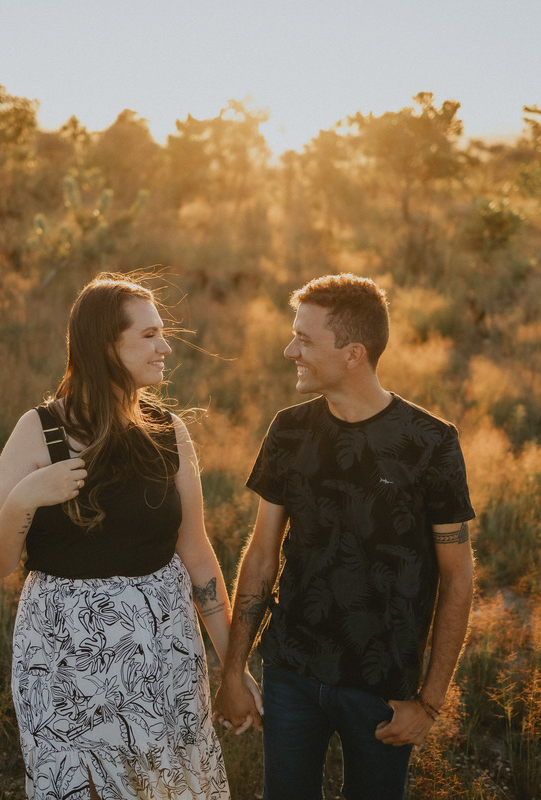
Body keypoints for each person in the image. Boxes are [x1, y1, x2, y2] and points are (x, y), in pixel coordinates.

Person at [0, 273, 260, 800]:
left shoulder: (169, 432)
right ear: (106, 345)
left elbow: (197, 554)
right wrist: (26, 497)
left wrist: (233, 670)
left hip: (163, 651)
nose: (165, 347)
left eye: (162, 334)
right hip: (64, 660)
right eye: (149, 335)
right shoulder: (39, 432)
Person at [212, 273, 476, 799]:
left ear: (354, 354)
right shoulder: (289, 430)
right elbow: (261, 556)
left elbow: (458, 577)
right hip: (291, 673)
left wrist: (429, 703)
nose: (290, 351)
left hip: (383, 691)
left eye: (304, 340)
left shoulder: (430, 443)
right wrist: (234, 672)